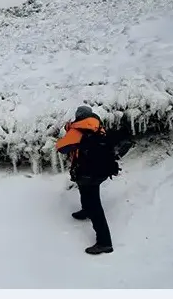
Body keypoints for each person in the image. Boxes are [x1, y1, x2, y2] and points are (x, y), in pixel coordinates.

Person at [56, 105, 115, 255]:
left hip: (87, 172)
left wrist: (69, 132)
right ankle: (86, 210)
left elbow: (61, 148)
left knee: (95, 206)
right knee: (86, 191)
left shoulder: (78, 130)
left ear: (78, 116)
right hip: (100, 170)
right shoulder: (98, 126)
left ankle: (104, 243)